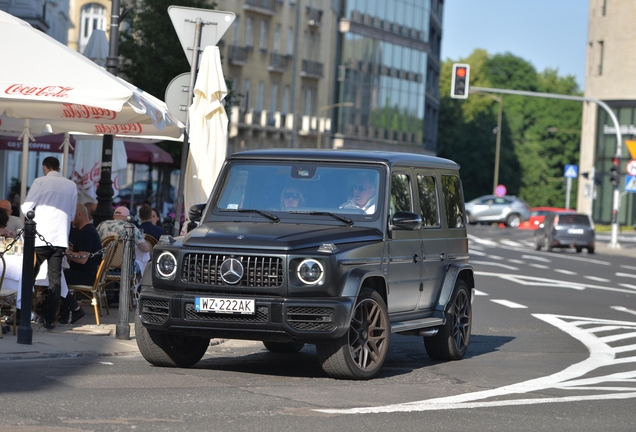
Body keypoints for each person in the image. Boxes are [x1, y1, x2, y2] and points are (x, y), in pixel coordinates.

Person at [21, 156, 78, 330]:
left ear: (45, 168)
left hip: (40, 236)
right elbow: (72, 214)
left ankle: (24, 313)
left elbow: (26, 208)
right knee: (55, 280)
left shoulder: (40, 181)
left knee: (29, 276)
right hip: (59, 238)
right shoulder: (71, 185)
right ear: (59, 169)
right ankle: (49, 319)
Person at [58, 203, 103, 324]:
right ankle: (63, 310)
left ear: (79, 215)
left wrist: (64, 252)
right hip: (86, 273)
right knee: (57, 275)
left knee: (55, 277)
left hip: (85, 275)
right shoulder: (88, 230)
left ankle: (73, 308)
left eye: (72, 216)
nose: (70, 219)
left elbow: (82, 259)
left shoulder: (86, 232)